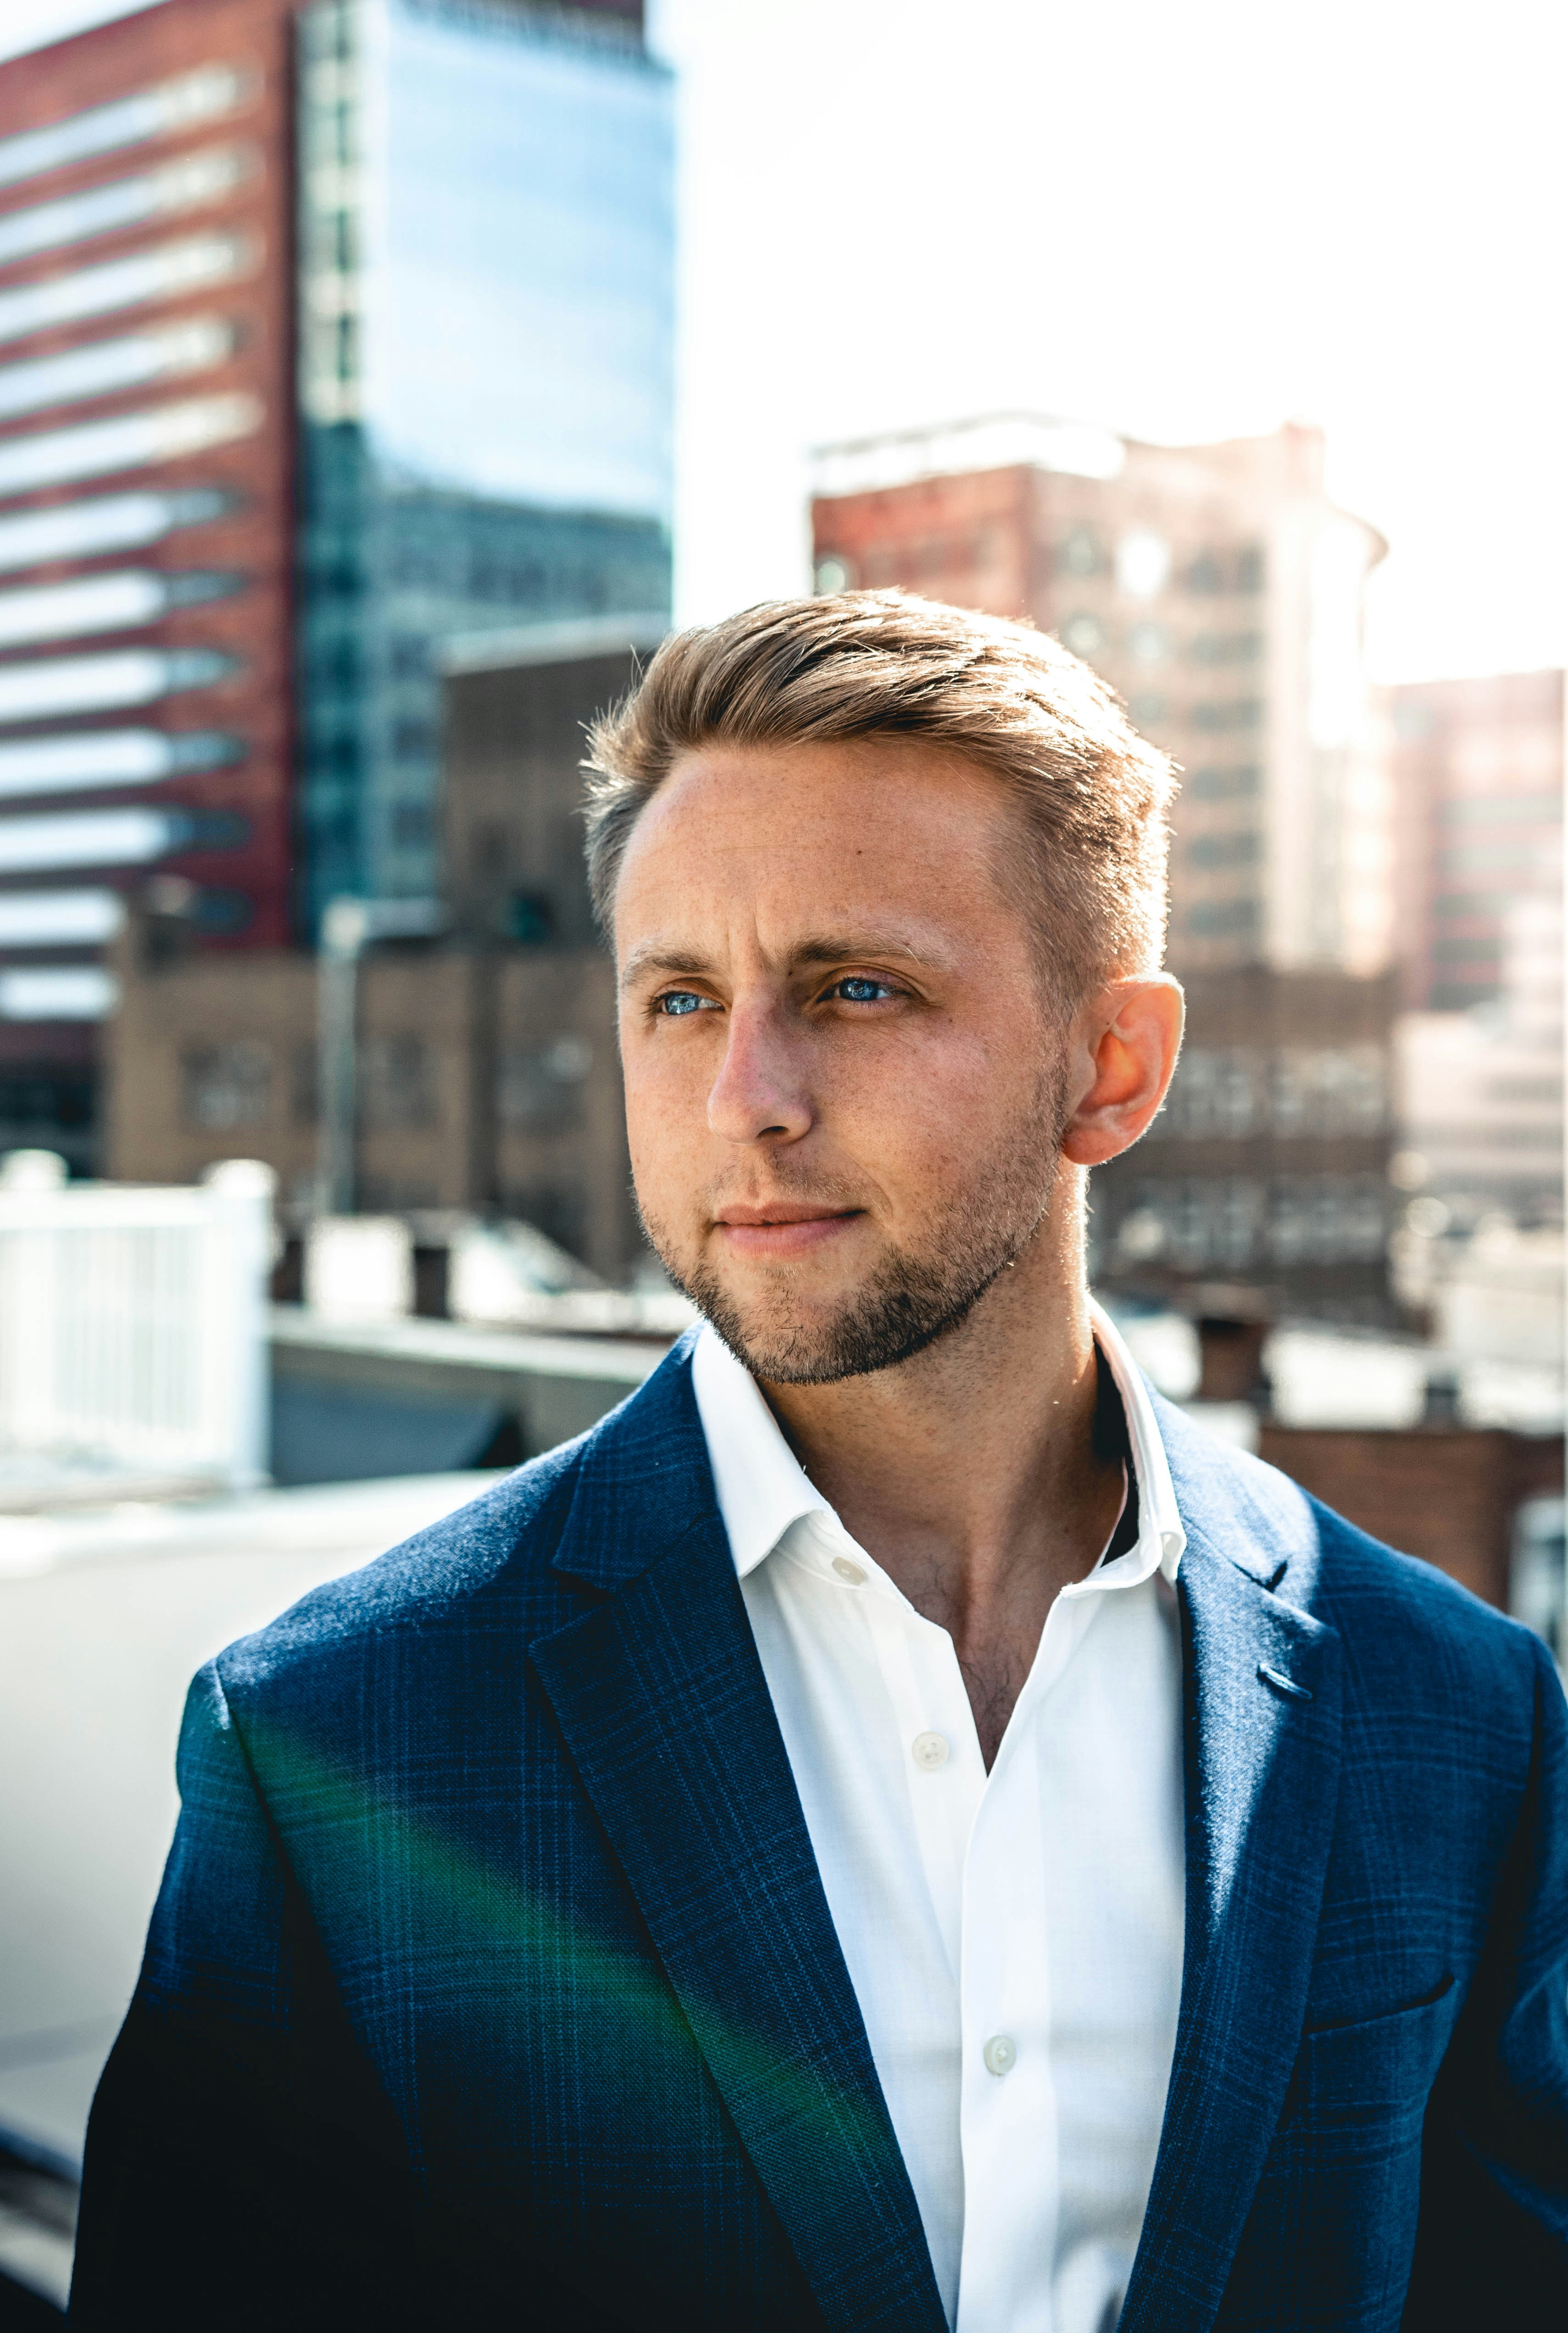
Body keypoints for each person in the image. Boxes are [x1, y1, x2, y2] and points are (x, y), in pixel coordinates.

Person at [71, 593, 1567, 2331]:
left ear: (1114, 1063)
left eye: (856, 989)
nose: (744, 1098)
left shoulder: (1457, 1719)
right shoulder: (340, 1742)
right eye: (680, 998)